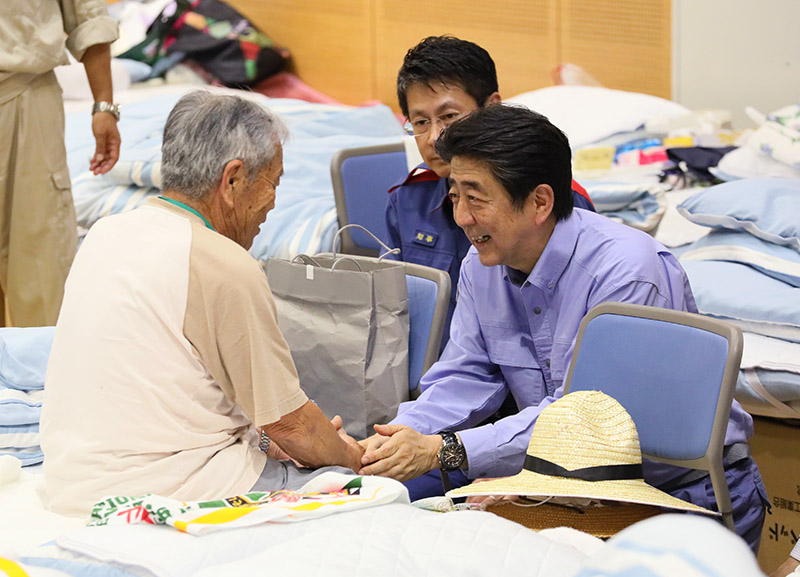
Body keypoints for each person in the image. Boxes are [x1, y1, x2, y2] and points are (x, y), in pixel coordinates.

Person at [359, 104, 768, 551]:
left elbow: (586, 422)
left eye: (475, 197)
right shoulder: (482, 263)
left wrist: (446, 450)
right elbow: (465, 374)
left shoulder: (627, 274)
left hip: (676, 495)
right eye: (455, 195)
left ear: (539, 201)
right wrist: (397, 439)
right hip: (567, 489)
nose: (462, 218)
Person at [41, 91, 363, 517]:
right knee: (366, 494)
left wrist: (290, 439)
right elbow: (289, 425)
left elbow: (183, 388)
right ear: (232, 180)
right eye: (274, 182)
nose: (273, 202)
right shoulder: (226, 265)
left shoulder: (104, 232)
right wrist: (352, 458)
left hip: (69, 483)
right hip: (172, 487)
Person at [384, 35, 595, 346]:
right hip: (447, 375)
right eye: (420, 122)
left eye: (449, 117)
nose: (433, 138)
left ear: (492, 107)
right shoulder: (407, 200)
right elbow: (389, 312)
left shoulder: (554, 200)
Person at [0, 0, 122, 327]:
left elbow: (88, 15)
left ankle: (45, 374)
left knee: (40, 267)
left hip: (24, 98)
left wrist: (104, 106)